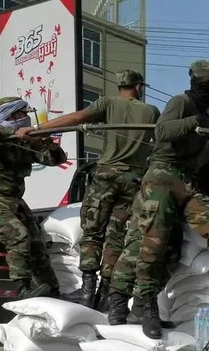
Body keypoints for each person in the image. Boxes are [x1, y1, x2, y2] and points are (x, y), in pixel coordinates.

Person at [108, 60, 209, 339]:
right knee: (154, 241)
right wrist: (195, 122)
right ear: (200, 84)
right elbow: (162, 131)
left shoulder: (206, 116)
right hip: (163, 176)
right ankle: (143, 305)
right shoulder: (181, 102)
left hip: (188, 183)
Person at [18, 70, 160, 309]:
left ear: (119, 87)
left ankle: (87, 290)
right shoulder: (151, 111)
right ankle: (105, 291)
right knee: (116, 235)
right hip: (134, 180)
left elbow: (77, 117)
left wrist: (39, 128)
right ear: (138, 87)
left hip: (106, 176)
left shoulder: (108, 103)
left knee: (93, 232)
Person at [0, 97, 67, 299]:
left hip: (14, 202)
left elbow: (55, 159)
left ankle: (52, 290)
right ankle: (22, 289)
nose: (26, 118)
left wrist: (45, 141)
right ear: (12, 115)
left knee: (38, 244)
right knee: (19, 237)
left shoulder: (26, 142)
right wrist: (16, 133)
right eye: (22, 114)